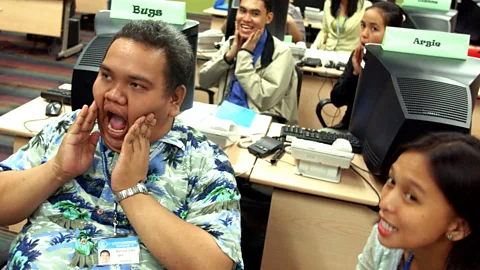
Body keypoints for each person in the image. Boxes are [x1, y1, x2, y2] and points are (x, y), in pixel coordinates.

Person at [0, 20, 243, 269]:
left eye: (136, 85)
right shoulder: (72, 129)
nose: (113, 94)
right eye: (106, 76)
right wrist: (56, 170)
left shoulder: (203, 161)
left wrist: (132, 192)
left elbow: (214, 264)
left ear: (174, 98)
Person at [356, 132, 480, 269]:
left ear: (457, 227)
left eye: (411, 197)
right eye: (392, 181)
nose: (384, 203)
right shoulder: (385, 244)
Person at [200, 0, 299, 124]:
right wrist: (228, 57)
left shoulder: (280, 53)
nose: (246, 18)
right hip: (224, 117)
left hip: (259, 122)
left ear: (268, 18)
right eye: (242, 11)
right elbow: (204, 81)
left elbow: (264, 99)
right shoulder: (232, 43)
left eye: (255, 14)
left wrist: (244, 55)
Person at [315, 1, 404, 129]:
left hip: (381, 132)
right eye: (363, 25)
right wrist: (355, 74)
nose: (364, 34)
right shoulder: (358, 55)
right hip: (351, 127)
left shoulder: (399, 65)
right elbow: (337, 100)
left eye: (374, 29)